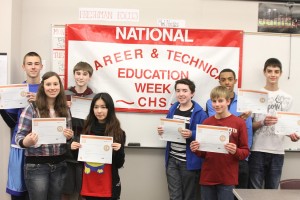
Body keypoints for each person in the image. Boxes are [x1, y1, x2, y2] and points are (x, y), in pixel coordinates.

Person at [15, 71, 74, 200]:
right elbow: (19, 137)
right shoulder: (32, 109)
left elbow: (68, 138)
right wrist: (27, 141)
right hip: (37, 166)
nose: (52, 87)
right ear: (43, 87)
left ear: (60, 86)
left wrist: (69, 136)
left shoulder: (65, 109)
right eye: (48, 84)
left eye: (55, 84)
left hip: (60, 164)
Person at [190, 85, 249, 200]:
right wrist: (196, 149)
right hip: (208, 177)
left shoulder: (239, 123)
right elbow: (203, 153)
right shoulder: (206, 122)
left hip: (227, 178)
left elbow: (245, 151)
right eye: (214, 101)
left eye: (220, 101)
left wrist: (235, 151)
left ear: (228, 101)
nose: (217, 104)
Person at [248, 58, 300, 189]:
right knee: (254, 192)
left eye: (276, 71)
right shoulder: (255, 95)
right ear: (264, 72)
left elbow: (289, 127)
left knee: (272, 193)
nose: (273, 74)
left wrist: (293, 135)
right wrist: (262, 122)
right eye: (269, 71)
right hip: (257, 150)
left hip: (277, 152)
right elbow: (249, 127)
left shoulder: (288, 98)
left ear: (281, 73)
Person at [0, 52, 43, 200]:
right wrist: (1, 106)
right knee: (18, 193)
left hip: (41, 148)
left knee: (38, 193)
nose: (33, 67)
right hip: (19, 147)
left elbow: (57, 115)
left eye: (36, 63)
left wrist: (40, 101)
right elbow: (12, 123)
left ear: (41, 66)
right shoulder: (17, 90)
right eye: (29, 64)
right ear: (23, 66)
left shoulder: (49, 88)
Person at [157, 78, 208, 200]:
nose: (181, 94)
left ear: (192, 93)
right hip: (172, 159)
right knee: (174, 196)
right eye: (178, 91)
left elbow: (205, 135)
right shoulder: (173, 109)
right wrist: (162, 131)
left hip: (189, 162)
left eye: (185, 91)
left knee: (189, 196)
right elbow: (169, 129)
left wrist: (192, 134)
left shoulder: (200, 113)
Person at [71, 92, 126, 200]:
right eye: (96, 107)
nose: (99, 111)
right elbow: (80, 160)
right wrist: (74, 150)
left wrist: (119, 151)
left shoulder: (118, 133)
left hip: (108, 187)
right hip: (89, 186)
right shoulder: (86, 129)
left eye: (103, 107)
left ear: (109, 109)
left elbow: (119, 164)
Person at [206, 68, 253, 189]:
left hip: (241, 156)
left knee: (240, 194)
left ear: (235, 81)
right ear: (219, 82)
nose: (227, 82)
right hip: (221, 157)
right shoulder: (211, 103)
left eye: (230, 79)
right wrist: (240, 119)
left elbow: (247, 128)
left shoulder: (246, 102)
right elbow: (218, 122)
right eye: (223, 80)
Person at [62, 61, 94, 200]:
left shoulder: (94, 97)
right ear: (74, 75)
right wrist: (64, 107)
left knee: (84, 189)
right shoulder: (64, 94)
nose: (81, 77)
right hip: (67, 143)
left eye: (84, 74)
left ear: (89, 77)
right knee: (66, 189)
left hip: (85, 145)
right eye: (78, 73)